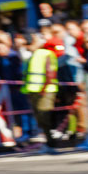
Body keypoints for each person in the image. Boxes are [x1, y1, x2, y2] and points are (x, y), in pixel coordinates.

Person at [23, 25, 65, 153]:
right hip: (33, 90)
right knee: (40, 118)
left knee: (44, 115)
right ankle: (48, 142)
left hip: (45, 90)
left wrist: (44, 88)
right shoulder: (32, 55)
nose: (27, 46)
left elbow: (50, 72)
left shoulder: (46, 53)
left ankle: (52, 143)